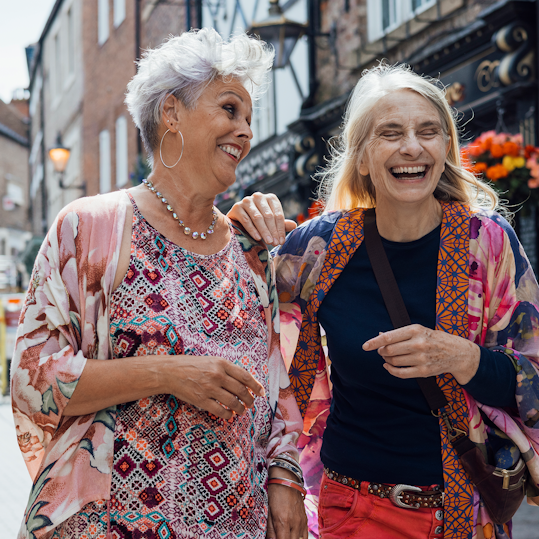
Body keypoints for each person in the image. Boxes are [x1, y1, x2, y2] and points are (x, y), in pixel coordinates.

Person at [11, 28, 308, 539]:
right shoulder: (90, 227)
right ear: (171, 112)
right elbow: (35, 380)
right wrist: (167, 373)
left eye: (249, 120)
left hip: (239, 522)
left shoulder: (250, 249)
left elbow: (278, 390)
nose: (245, 132)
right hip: (113, 524)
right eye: (230, 109)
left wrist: (285, 479)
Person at [229, 63, 539, 539]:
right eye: (390, 132)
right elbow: (256, 351)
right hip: (351, 512)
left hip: (465, 511)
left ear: (445, 149)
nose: (412, 147)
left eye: (427, 131)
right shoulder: (316, 251)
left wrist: (461, 357)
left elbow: (534, 376)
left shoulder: (489, 245)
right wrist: (242, 227)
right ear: (362, 157)